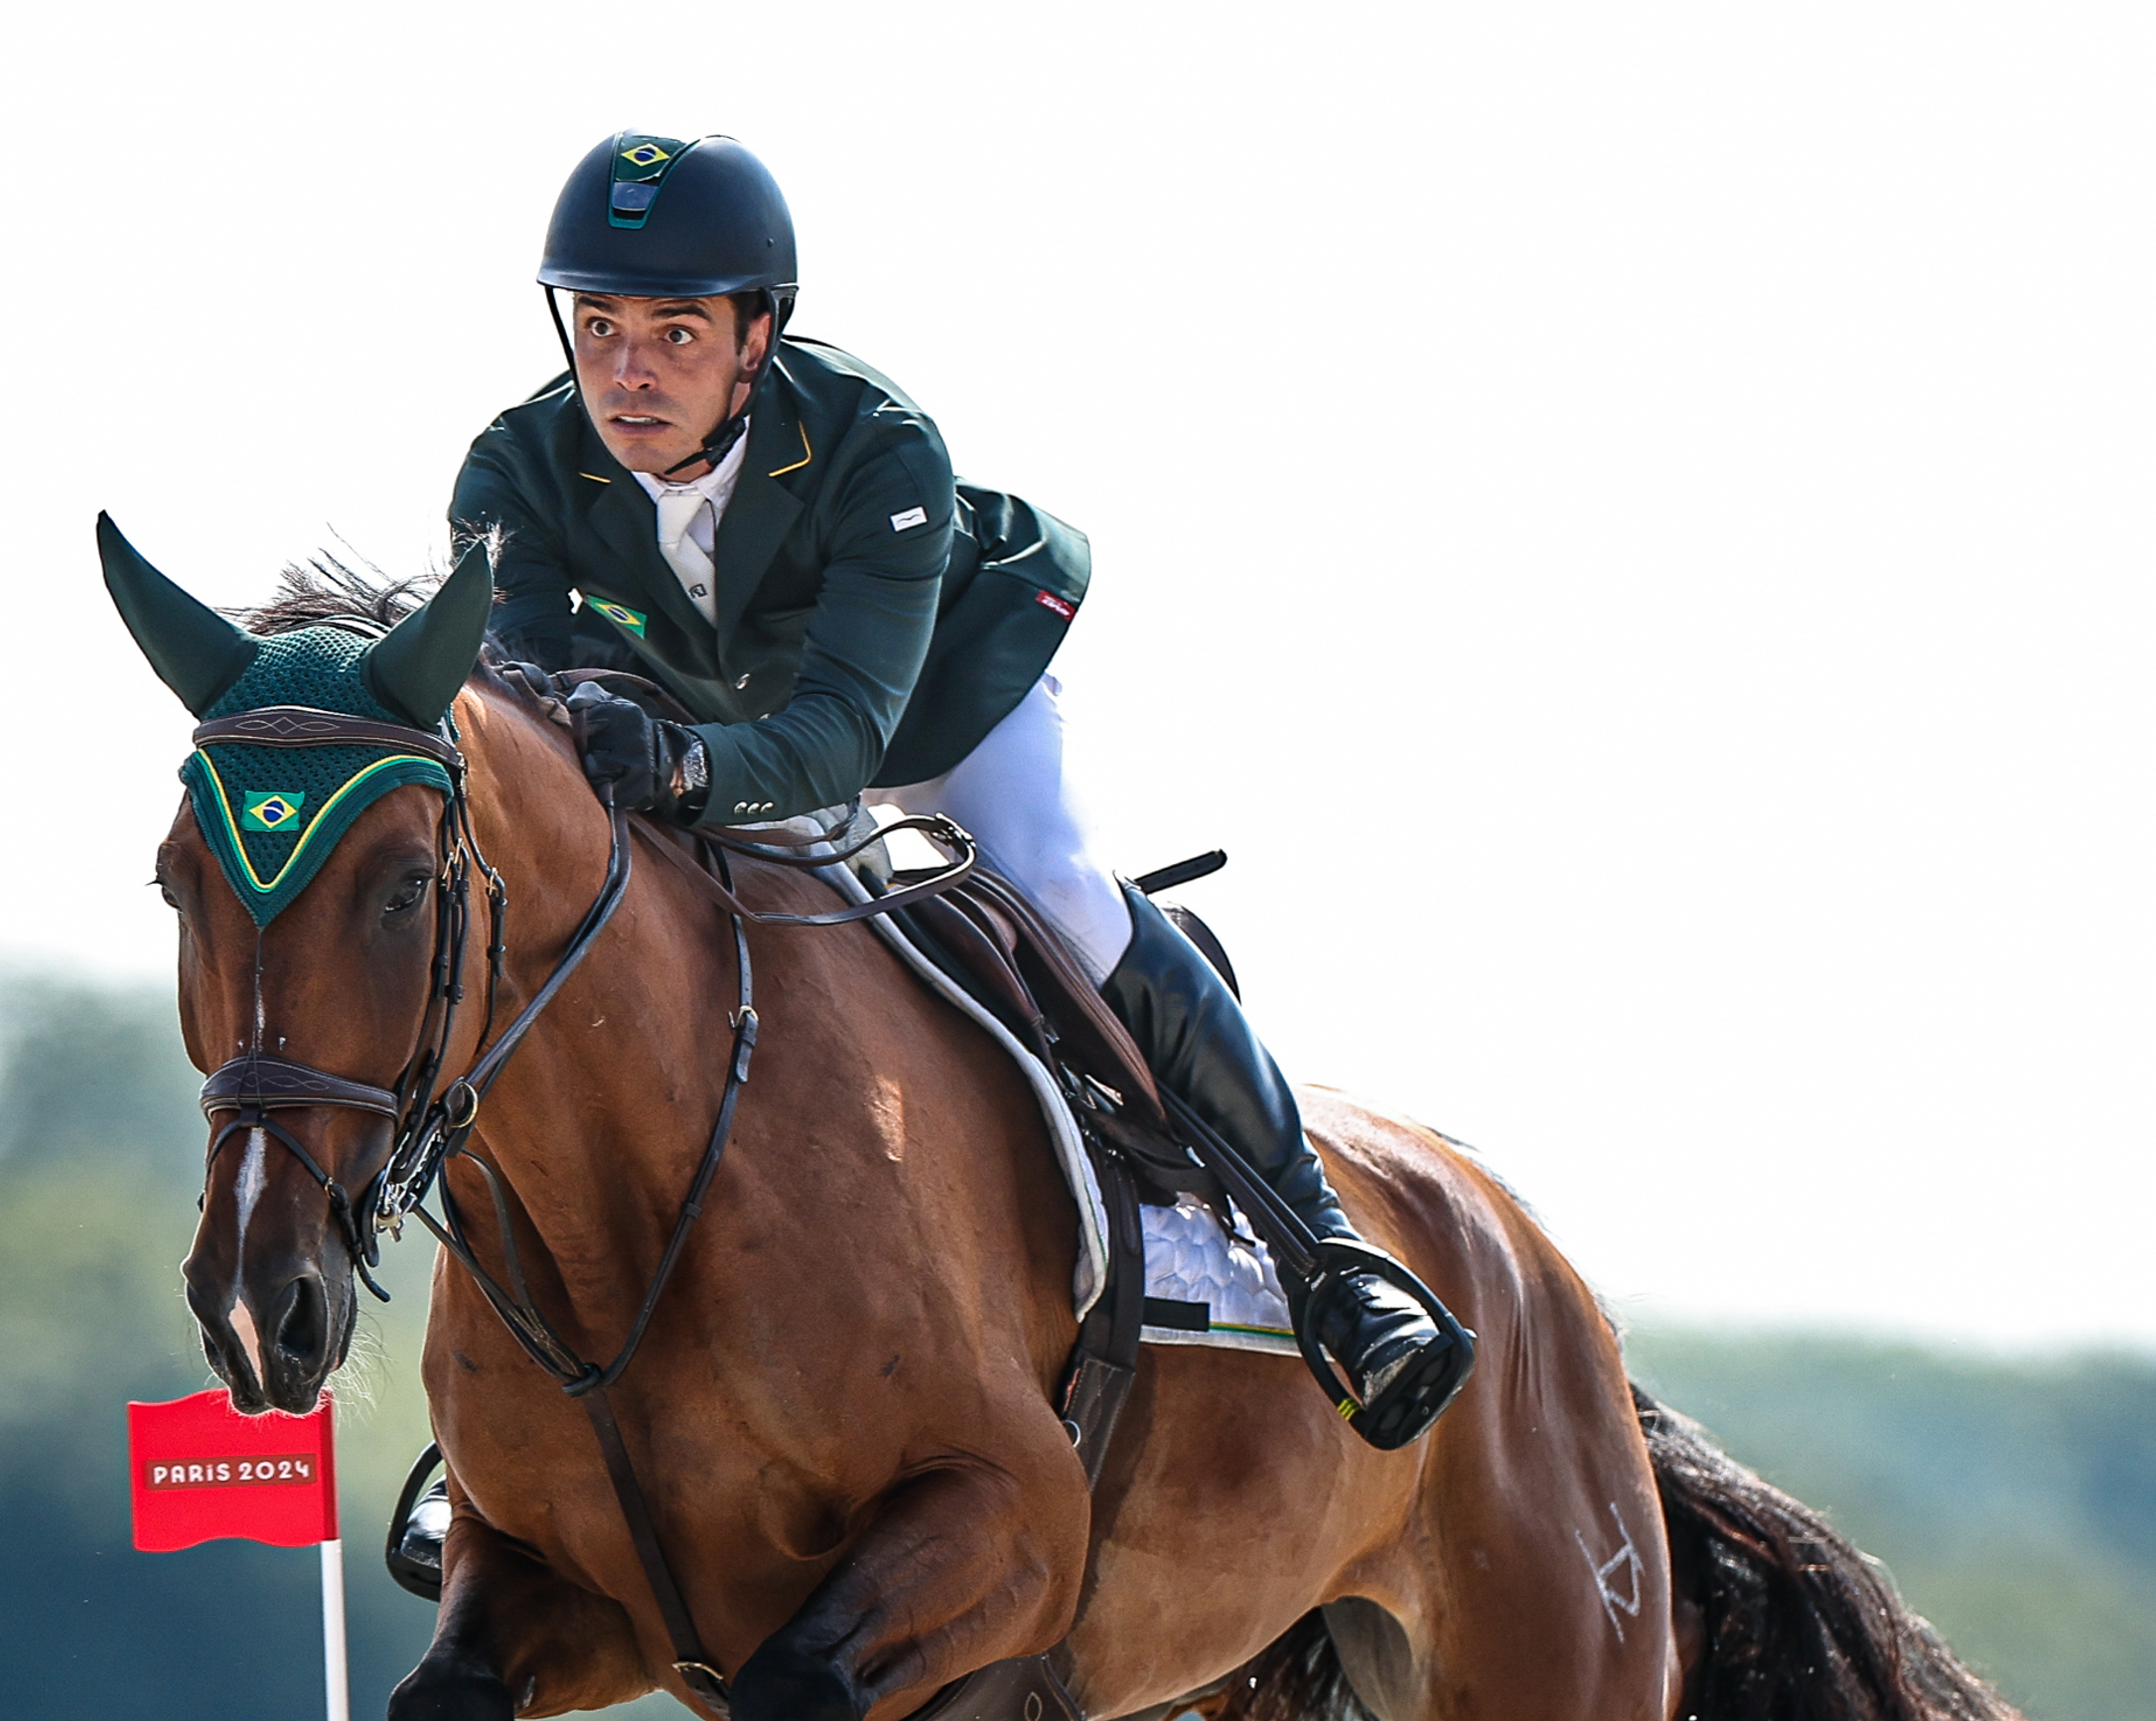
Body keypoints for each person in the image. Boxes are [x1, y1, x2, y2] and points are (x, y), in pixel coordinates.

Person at [449, 131, 1470, 1451]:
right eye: (599, 326)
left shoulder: (879, 450)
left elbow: (835, 740)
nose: (628, 372)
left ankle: (1326, 1258)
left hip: (935, 695)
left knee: (1049, 884)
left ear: (758, 339)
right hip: (706, 715)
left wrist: (692, 764)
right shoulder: (516, 468)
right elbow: (531, 718)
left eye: (676, 333)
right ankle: (518, 1398)